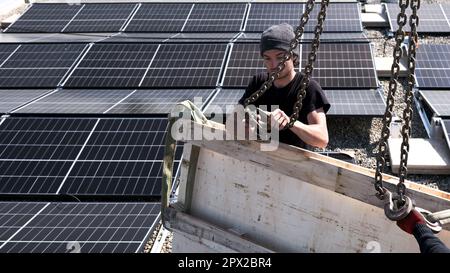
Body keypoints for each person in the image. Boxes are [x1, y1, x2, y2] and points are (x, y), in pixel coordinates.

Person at [237, 23, 330, 149]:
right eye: (267, 58)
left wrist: (289, 122)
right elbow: (232, 123)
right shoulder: (258, 82)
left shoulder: (308, 87)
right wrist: (246, 124)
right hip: (258, 157)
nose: (274, 64)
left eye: (280, 57)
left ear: (293, 56)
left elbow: (322, 139)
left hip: (292, 163)